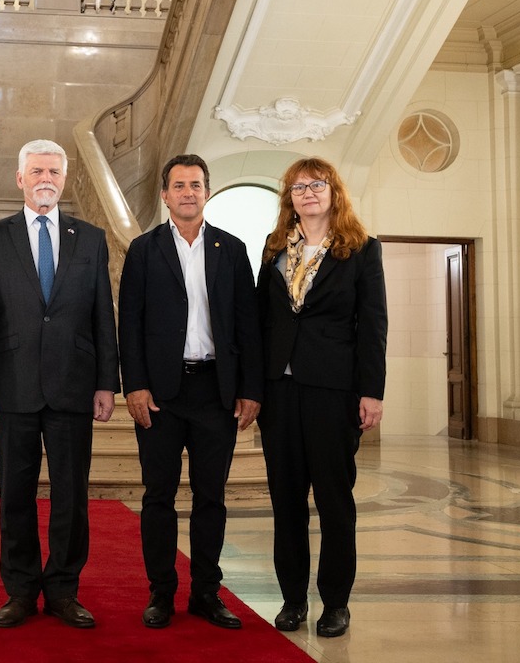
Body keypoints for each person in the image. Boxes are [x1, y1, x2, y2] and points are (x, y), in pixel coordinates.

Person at [0, 138, 119, 629]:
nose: (45, 179)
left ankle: (63, 590)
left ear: (65, 178)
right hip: (11, 386)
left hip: (75, 384)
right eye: (36, 171)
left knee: (71, 496)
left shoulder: (91, 237)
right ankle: (20, 590)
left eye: (53, 171)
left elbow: (103, 314)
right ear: (20, 178)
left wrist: (107, 382)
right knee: (15, 494)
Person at [118, 154, 263, 632]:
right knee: (158, 496)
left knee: (211, 498)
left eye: (195, 184)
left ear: (207, 192)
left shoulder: (232, 249)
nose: (187, 192)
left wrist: (250, 388)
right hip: (160, 394)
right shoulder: (143, 249)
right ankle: (161, 593)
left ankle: (205, 593)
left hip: (215, 392)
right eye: (178, 185)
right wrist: (135, 385)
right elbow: (129, 323)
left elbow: (247, 323)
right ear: (165, 195)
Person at [256, 156, 386, 638]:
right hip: (280, 392)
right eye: (298, 187)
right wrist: (254, 387)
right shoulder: (274, 248)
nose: (307, 193)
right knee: (286, 502)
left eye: (317, 185)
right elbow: (262, 320)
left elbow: (373, 325)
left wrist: (371, 392)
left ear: (334, 192)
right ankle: (293, 600)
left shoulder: (362, 249)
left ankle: (336, 603)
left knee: (334, 502)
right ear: (289, 198)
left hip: (333, 392)